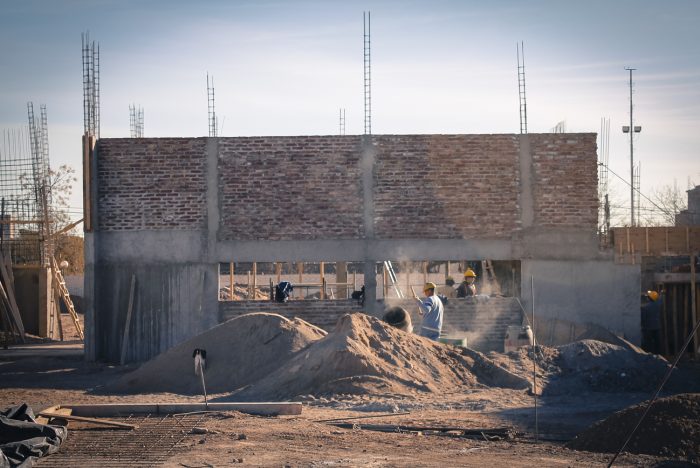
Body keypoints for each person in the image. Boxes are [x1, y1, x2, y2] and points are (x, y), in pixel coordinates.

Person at [641, 290, 662, 354]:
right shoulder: (658, 304)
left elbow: (643, 318)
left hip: (648, 328)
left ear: (650, 298)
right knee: (657, 343)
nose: (647, 298)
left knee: (648, 343)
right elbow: (661, 300)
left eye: (648, 297)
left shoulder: (646, 307)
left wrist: (642, 326)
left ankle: (649, 355)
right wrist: (662, 293)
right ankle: (658, 355)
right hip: (657, 327)